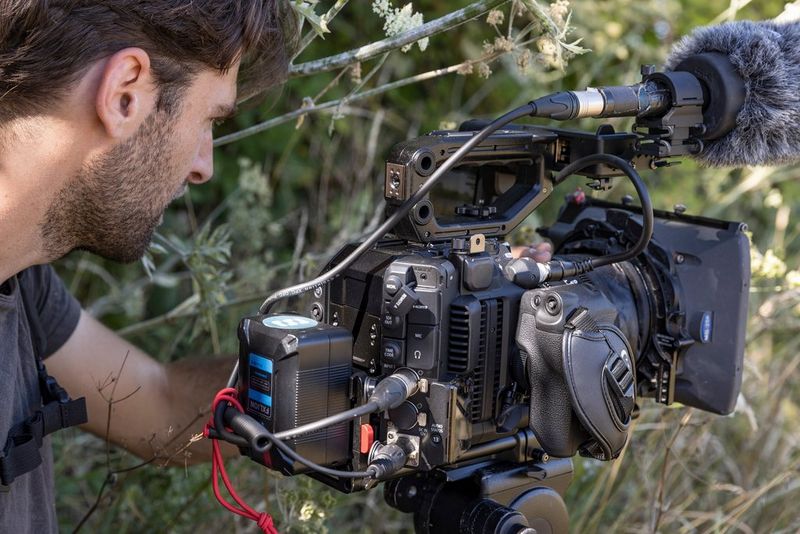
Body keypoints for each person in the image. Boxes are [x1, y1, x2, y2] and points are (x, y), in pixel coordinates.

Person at [0, 1, 551, 532]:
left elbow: (158, 410)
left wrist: (368, 350)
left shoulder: (20, 280)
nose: (203, 167)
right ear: (125, 94)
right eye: (208, 118)